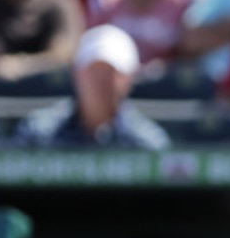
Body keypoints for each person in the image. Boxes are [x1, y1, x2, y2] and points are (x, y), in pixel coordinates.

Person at [13, 24, 170, 150]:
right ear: (76, 74)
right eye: (94, 70)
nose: (101, 81)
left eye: (111, 72)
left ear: (129, 80)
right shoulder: (37, 133)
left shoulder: (148, 145)